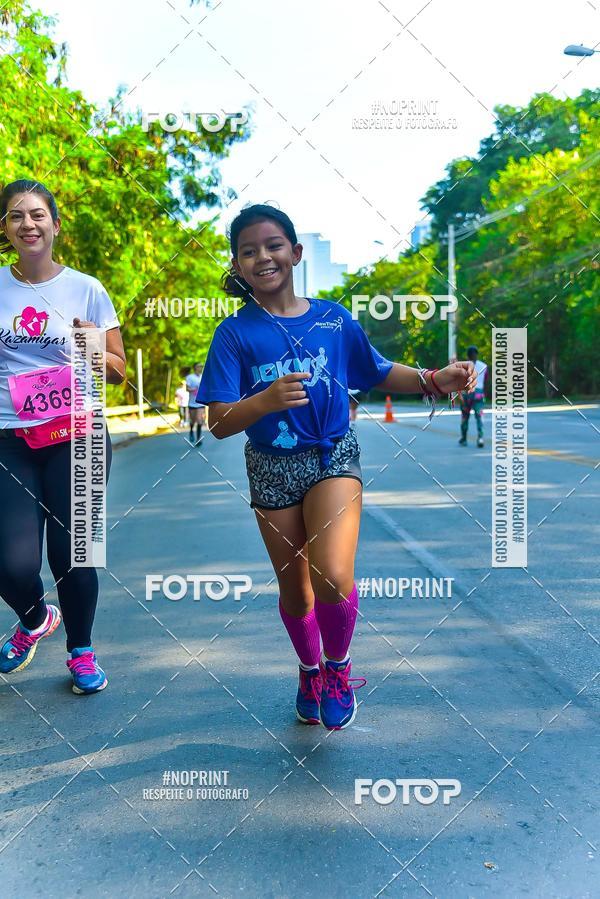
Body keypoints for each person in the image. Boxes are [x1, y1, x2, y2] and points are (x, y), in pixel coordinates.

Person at [197, 204, 476, 730]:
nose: (263, 257)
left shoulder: (333, 318)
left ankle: (338, 667)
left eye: (274, 245)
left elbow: (374, 370)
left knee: (333, 571)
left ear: (296, 253)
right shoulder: (234, 334)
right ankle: (308, 671)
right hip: (272, 466)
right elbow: (217, 420)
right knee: (296, 588)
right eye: (249, 250)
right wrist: (265, 400)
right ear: (236, 265)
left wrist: (434, 379)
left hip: (333, 455)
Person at [0, 179, 126, 693]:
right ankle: (34, 619)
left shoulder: (87, 288)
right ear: (5, 229)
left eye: (36, 214)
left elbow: (117, 370)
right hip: (10, 434)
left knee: (73, 554)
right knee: (12, 561)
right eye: (15, 216)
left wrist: (91, 345)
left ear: (55, 223)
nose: (27, 224)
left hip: (79, 432)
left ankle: (81, 651)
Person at [459, 345, 488, 448]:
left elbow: (459, 382)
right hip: (478, 395)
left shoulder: (463, 366)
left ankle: (463, 438)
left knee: (465, 417)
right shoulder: (484, 366)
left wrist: (459, 396)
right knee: (479, 417)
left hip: (467, 394)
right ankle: (480, 438)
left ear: (467, 356)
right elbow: (485, 381)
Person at [186, 362, 205, 445]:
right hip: (192, 403)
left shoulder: (203, 377)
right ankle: (191, 431)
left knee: (200, 421)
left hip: (200, 403)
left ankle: (198, 439)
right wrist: (194, 389)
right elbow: (187, 388)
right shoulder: (190, 377)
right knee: (193, 421)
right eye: (199, 366)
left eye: (201, 366)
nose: (200, 368)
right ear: (195, 368)